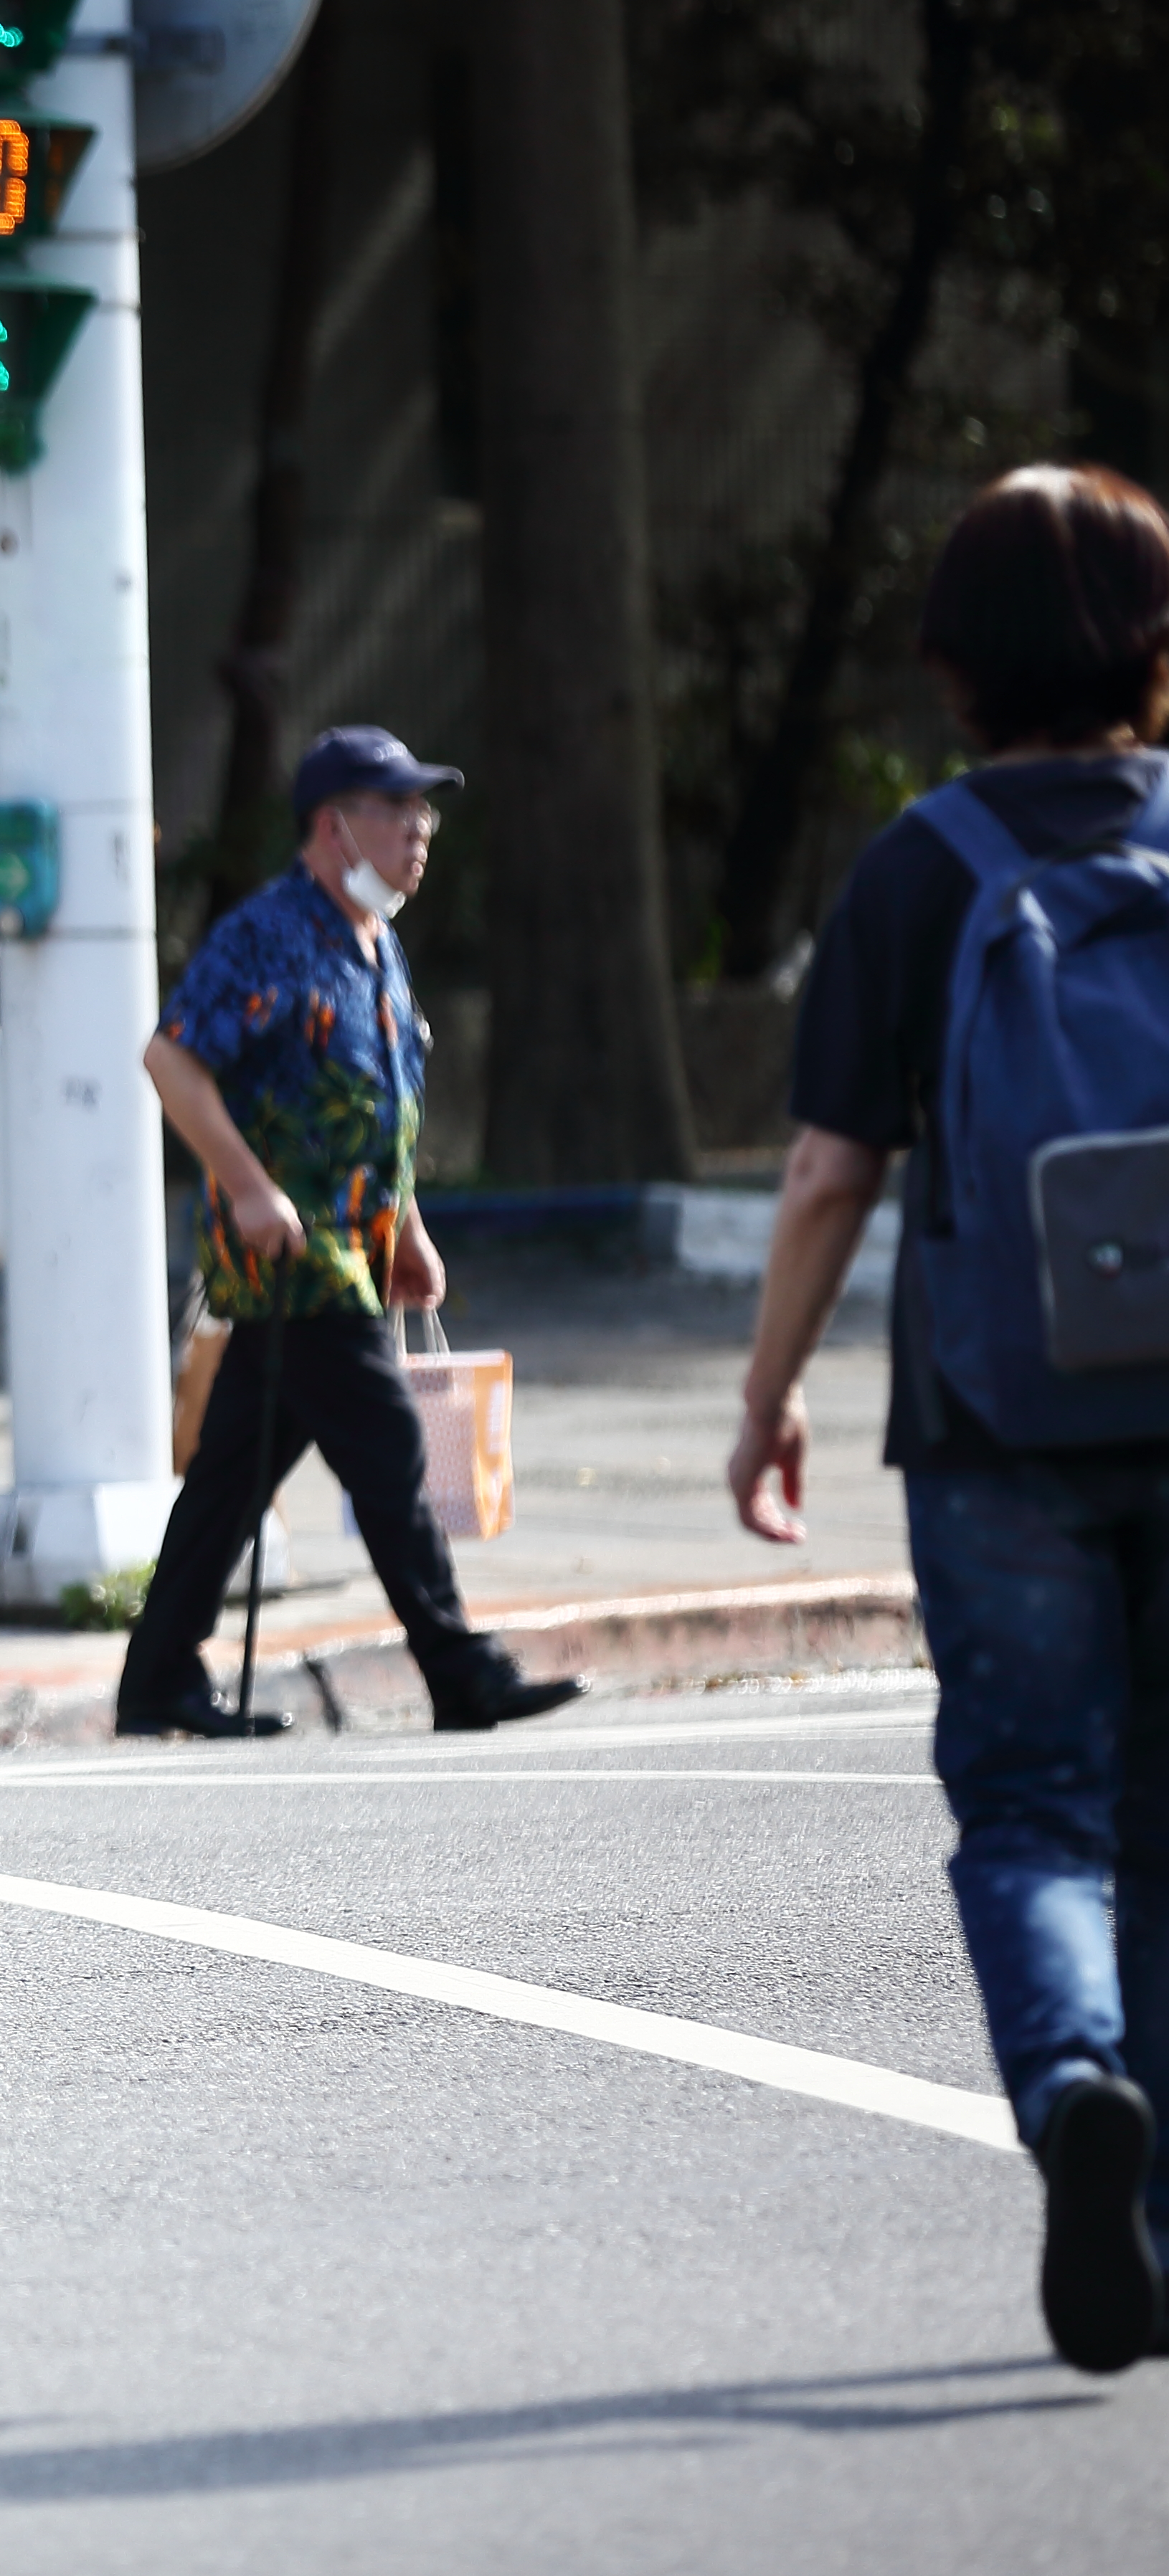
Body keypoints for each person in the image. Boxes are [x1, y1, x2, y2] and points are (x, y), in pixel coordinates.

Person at [728, 462, 1169, 2372]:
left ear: (947, 667)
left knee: (1026, 1811)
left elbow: (831, 1167)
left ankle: (1071, 2084)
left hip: (994, 1421)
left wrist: (765, 1394)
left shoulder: (918, 867)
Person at [118, 725, 589, 1741]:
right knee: (388, 1451)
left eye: (424, 810)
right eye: (397, 810)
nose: (421, 829)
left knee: (231, 1476)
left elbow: (381, 1110)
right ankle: (458, 1667)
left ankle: (156, 1675)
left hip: (355, 1248)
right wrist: (244, 1186)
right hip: (296, 1254)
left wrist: (407, 1225)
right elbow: (170, 1059)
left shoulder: (374, 942)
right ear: (333, 827)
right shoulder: (270, 933)